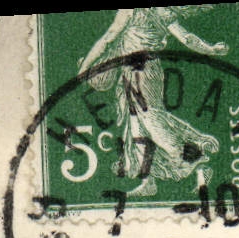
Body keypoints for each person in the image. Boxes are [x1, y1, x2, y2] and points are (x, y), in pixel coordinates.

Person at [76, 7, 230, 197]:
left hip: (143, 74)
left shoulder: (134, 11)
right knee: (136, 127)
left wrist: (84, 67)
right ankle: (147, 180)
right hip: (134, 72)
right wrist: (211, 49)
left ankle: (196, 159)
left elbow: (108, 38)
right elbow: (187, 38)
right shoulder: (164, 12)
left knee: (153, 122)